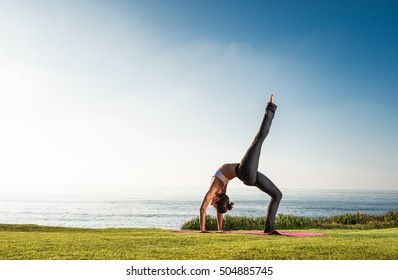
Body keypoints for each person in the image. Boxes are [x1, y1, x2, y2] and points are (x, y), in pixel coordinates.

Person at [199, 94, 282, 233]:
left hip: (249, 175)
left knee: (277, 195)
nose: (211, 203)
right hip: (244, 172)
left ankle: (269, 229)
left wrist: (220, 230)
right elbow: (203, 208)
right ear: (218, 198)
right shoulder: (215, 190)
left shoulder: (218, 191)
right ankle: (270, 108)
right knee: (258, 140)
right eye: (213, 204)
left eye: (212, 204)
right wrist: (202, 230)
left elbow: (213, 209)